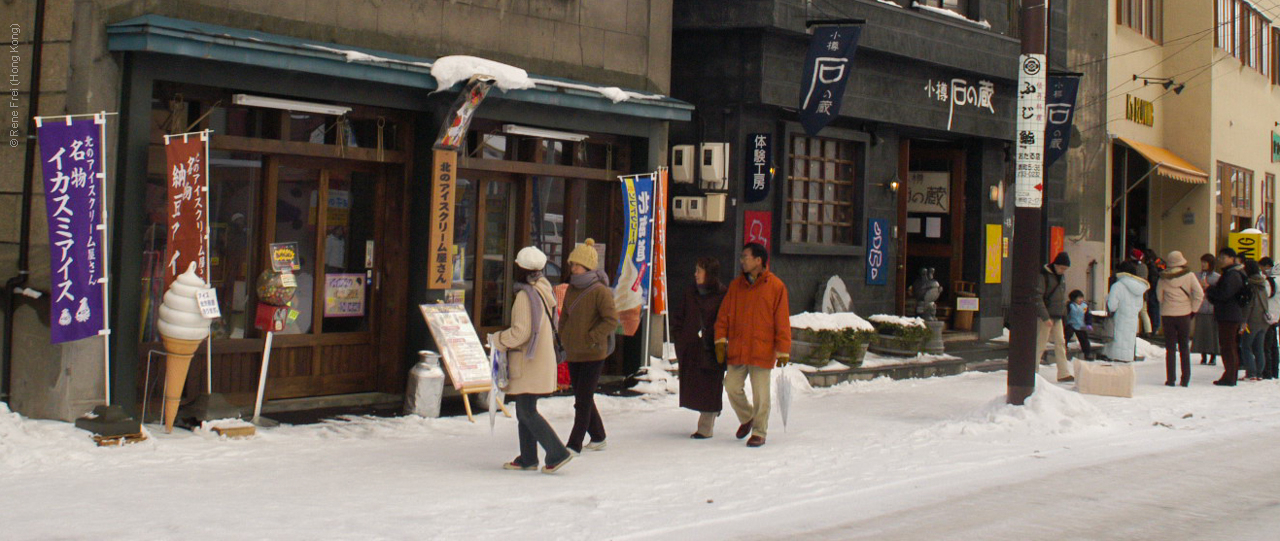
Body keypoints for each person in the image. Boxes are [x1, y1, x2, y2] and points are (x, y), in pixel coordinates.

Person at [492, 246, 573, 474]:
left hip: (529, 361)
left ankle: (557, 452)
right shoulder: (543, 289)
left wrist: (497, 339)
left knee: (527, 411)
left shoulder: (525, 296)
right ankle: (528, 458)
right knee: (524, 409)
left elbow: (520, 332)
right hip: (540, 359)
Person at [715, 243, 791, 448]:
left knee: (761, 395)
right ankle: (747, 417)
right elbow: (723, 316)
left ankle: (759, 431)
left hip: (762, 349)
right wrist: (720, 340)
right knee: (731, 386)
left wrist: (783, 349)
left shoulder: (776, 287)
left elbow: (782, 320)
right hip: (738, 347)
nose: (742, 260)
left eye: (745, 257)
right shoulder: (735, 286)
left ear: (759, 260)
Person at [559, 239, 619, 454]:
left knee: (582, 400)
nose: (573, 268)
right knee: (582, 396)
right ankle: (598, 435)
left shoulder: (600, 291)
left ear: (587, 266)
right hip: (574, 352)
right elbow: (565, 316)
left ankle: (574, 444)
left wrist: (593, 336)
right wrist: (563, 335)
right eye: (572, 264)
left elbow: (611, 320)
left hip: (593, 352)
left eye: (576, 264)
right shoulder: (572, 289)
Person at [672, 257, 727, 439]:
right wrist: (679, 339)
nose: (695, 275)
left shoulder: (722, 294)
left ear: (709, 274)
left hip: (712, 347)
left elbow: (726, 320)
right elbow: (679, 316)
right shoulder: (690, 292)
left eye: (699, 271)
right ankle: (711, 412)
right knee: (695, 385)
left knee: (711, 385)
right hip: (691, 346)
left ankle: (706, 426)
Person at [1155, 251, 1204, 387]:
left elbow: (1159, 297)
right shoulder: (1189, 276)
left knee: (1170, 348)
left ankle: (1171, 379)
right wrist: (1193, 309)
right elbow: (1199, 294)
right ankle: (1185, 379)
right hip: (1184, 314)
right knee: (1184, 347)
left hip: (1168, 315)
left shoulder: (1163, 278)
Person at [1205, 247, 1247, 386]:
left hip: (1229, 315)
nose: (1220, 260)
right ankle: (1230, 375)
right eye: (1220, 257)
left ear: (1231, 258)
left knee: (1228, 346)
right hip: (1230, 314)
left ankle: (1230, 376)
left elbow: (1224, 294)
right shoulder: (1232, 273)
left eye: (1223, 258)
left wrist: (1209, 289)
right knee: (1229, 346)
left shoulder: (1232, 275)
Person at [1033, 252, 1074, 382]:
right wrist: (1045, 317)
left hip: (1057, 316)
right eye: (1061, 268)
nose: (1063, 271)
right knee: (1040, 343)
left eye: (1065, 269)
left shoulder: (1061, 277)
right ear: (1055, 265)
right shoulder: (1044, 276)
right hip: (1046, 316)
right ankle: (1033, 371)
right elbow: (1038, 297)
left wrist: (1064, 315)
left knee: (1061, 343)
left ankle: (1063, 373)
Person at [1103, 261, 1150, 362]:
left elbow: (1112, 306)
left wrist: (1107, 298)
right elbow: (1140, 306)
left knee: (1116, 358)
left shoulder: (1117, 286)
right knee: (1127, 353)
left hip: (1118, 322)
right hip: (1132, 322)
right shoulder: (1140, 288)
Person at [1240, 259, 1271, 382]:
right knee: (1259, 347)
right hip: (1263, 320)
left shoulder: (1250, 285)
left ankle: (1251, 372)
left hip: (1251, 321)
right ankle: (1259, 373)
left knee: (1246, 346)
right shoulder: (1263, 284)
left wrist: (1244, 321)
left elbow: (1249, 305)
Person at [1192, 254, 1221, 366]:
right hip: (1200, 307)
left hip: (1212, 308)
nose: (1203, 264)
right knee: (1201, 332)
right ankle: (1203, 355)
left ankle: (1213, 355)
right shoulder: (1196, 276)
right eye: (1202, 262)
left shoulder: (1217, 277)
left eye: (1206, 262)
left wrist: (1208, 286)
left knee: (1212, 333)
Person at [1261, 257, 1280, 380]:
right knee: (1274, 345)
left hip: (1269, 315)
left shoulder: (1271, 281)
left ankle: (1267, 371)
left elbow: (1266, 295)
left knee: (1267, 345)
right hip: (1276, 314)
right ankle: (1274, 370)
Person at [1128, 248, 1153, 336]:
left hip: (1134, 292)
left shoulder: (1131, 267)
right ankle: (1148, 330)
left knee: (1134, 312)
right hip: (1144, 291)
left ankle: (1136, 331)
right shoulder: (1144, 267)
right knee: (1144, 312)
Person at [1065, 290, 1093, 360]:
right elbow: (1065, 315)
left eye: (1082, 298)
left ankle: (1087, 353)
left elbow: (1088, 316)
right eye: (1079, 298)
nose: (1081, 300)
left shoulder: (1084, 306)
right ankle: (1063, 348)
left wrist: (1089, 324)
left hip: (1080, 325)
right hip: (1071, 324)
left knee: (1084, 339)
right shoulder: (1070, 305)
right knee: (1067, 336)